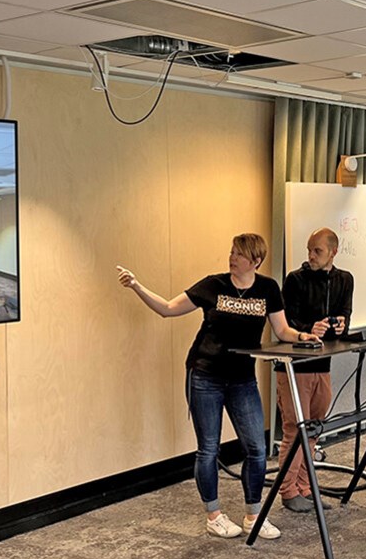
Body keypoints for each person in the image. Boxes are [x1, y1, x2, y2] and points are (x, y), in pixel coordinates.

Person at [116, 233, 319, 541]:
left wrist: (303, 336)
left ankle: (254, 515)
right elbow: (168, 308)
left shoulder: (267, 289)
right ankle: (214, 515)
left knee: (257, 448)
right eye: (232, 252)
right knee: (208, 449)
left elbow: (282, 329)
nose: (231, 257)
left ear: (255, 261)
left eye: (238, 254)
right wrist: (136, 286)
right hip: (205, 375)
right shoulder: (214, 285)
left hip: (242, 380)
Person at [276, 227, 354, 514]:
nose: (310, 255)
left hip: (324, 364)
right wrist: (310, 329)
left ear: (333, 252)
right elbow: (285, 323)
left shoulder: (345, 280)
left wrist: (340, 326)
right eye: (309, 249)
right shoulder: (294, 280)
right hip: (295, 366)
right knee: (294, 430)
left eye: (317, 251)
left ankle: (306, 487)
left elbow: (346, 314)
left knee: (313, 430)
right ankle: (287, 491)